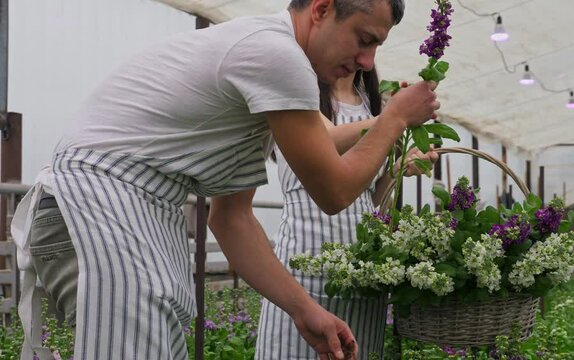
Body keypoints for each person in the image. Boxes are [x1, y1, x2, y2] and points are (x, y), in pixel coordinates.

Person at [11, 0, 441, 359]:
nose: (367, 61)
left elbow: (232, 219)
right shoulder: (277, 55)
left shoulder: (263, 71)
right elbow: (333, 191)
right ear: (322, 9)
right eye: (364, 39)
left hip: (132, 211)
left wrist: (304, 310)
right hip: (100, 205)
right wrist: (396, 118)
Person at [256, 68, 434, 359]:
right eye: (364, 38)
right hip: (303, 273)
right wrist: (396, 117)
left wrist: (398, 167)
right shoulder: (298, 94)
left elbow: (369, 199)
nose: (365, 53)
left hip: (361, 279)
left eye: (375, 43)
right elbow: (323, 139)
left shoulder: (371, 103)